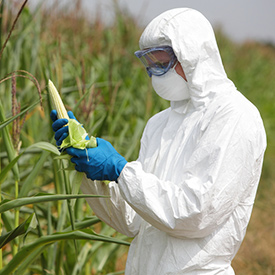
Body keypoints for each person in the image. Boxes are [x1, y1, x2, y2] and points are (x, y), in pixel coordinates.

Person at [51, 8, 266, 275]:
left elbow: (196, 214)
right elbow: (134, 220)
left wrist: (121, 170)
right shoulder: (159, 123)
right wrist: (89, 166)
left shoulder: (235, 116)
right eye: (148, 63)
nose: (154, 73)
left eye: (161, 62)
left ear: (192, 56)